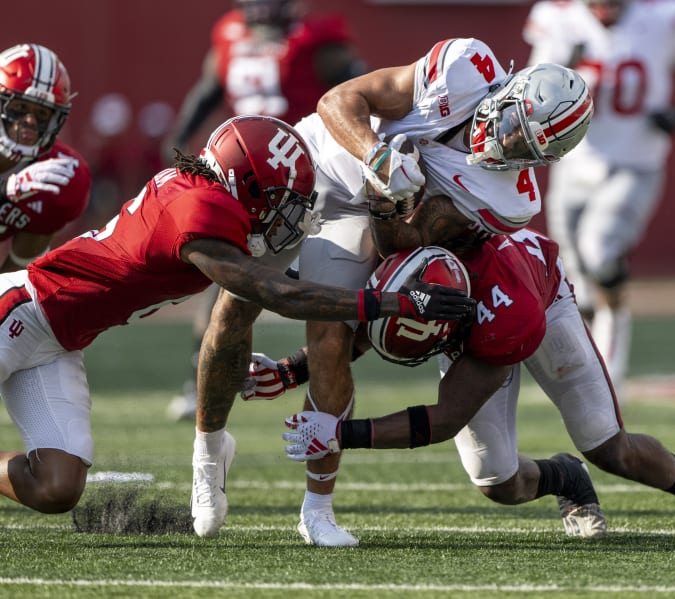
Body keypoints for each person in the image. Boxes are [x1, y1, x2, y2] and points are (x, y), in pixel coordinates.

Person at [196, 38, 593, 544]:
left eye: (527, 147)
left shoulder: (509, 199)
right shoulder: (463, 66)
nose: (508, 144)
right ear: (508, 91)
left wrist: (385, 202)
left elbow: (401, 247)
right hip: (324, 160)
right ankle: (207, 458)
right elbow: (337, 101)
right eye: (515, 125)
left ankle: (317, 510)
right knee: (234, 306)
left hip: (366, 214)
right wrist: (377, 155)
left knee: (330, 341)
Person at [0, 114, 472, 520]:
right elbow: (277, 294)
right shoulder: (198, 209)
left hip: (57, 342)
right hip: (20, 311)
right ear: (245, 183)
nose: (287, 211)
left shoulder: (203, 190)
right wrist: (395, 303)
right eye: (281, 197)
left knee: (56, 487)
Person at [277, 221, 675, 540]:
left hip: (540, 304)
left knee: (609, 447)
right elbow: (371, 329)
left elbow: (446, 418)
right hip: (475, 313)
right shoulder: (408, 249)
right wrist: (291, 369)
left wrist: (342, 434)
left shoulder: (508, 316)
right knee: (498, 483)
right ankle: (564, 476)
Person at [165, 0, 367, 421]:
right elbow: (208, 92)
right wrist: (179, 140)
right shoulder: (228, 33)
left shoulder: (317, 37)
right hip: (246, 178)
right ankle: (199, 380)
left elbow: (357, 90)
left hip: (311, 172)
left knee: (323, 272)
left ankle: (320, 368)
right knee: (227, 279)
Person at [522, 0, 675, 399]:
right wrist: (563, 67)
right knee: (573, 282)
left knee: (602, 251)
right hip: (573, 165)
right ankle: (581, 372)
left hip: (636, 163)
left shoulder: (662, 16)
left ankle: (610, 372)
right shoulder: (558, 17)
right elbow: (527, 93)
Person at [0, 43, 90, 272]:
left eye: (41, 114)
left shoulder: (56, 170)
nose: (30, 121)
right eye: (19, 107)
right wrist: (6, 191)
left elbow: (15, 279)